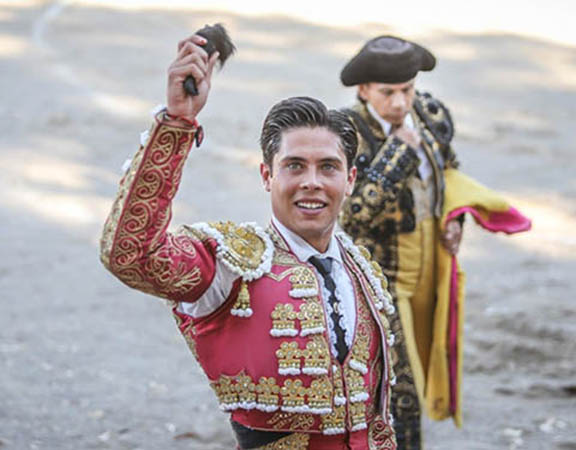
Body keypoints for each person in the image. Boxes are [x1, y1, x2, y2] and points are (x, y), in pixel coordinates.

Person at [99, 33, 421, 449]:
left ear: (350, 179)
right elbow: (131, 255)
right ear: (267, 175)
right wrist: (176, 124)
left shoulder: (362, 270)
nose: (311, 182)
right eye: (294, 166)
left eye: (328, 167)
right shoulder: (232, 264)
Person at [338, 35, 531, 428]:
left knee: (431, 357)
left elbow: (449, 172)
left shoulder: (429, 114)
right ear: (364, 90)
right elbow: (352, 214)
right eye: (387, 92)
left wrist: (455, 221)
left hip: (432, 261)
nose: (399, 102)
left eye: (407, 90)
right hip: (382, 275)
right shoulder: (346, 132)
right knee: (395, 386)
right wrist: (399, 153)